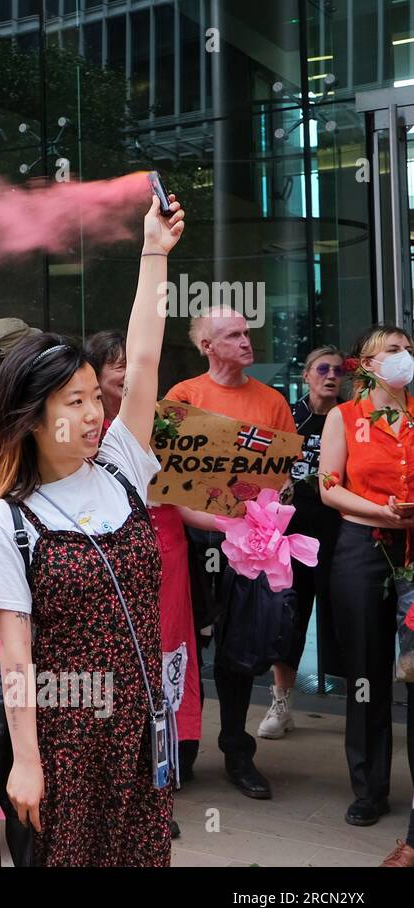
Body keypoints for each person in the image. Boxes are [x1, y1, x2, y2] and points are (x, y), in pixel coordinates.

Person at [0, 193, 185, 866]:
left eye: (97, 397)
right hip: (65, 741)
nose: (96, 414)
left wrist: (155, 251)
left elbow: (145, 360)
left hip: (142, 729)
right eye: (77, 401)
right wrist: (27, 763)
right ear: (33, 416)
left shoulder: (121, 466)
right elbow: (15, 662)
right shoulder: (8, 520)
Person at [165, 306, 295, 802]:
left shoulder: (273, 401)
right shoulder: (184, 396)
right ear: (207, 346)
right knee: (187, 647)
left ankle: (239, 753)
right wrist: (217, 517)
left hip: (253, 545)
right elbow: (169, 477)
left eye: (247, 332)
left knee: (241, 648)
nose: (246, 341)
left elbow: (282, 479)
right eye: (233, 335)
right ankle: (185, 748)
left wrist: (263, 520)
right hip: (194, 540)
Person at [86, 329, 201, 837]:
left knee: (158, 666)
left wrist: (243, 518)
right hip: (102, 563)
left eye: (132, 362)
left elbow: (187, 493)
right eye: (117, 364)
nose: (129, 372)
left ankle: (154, 791)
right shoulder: (84, 432)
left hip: (161, 555)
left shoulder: (159, 425)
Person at [318, 327, 414, 847]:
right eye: (393, 352)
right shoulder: (345, 416)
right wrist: (379, 510)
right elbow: (328, 486)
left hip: (413, 549)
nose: (404, 359)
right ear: (368, 364)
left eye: (409, 351)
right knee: (366, 673)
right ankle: (369, 788)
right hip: (362, 548)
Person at [258, 347, 345, 739]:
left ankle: (361, 705)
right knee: (289, 620)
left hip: (341, 535)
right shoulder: (287, 417)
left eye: (338, 371)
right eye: (322, 369)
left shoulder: (350, 418)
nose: (331, 376)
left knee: (346, 617)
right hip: (292, 536)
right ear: (307, 375)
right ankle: (282, 704)